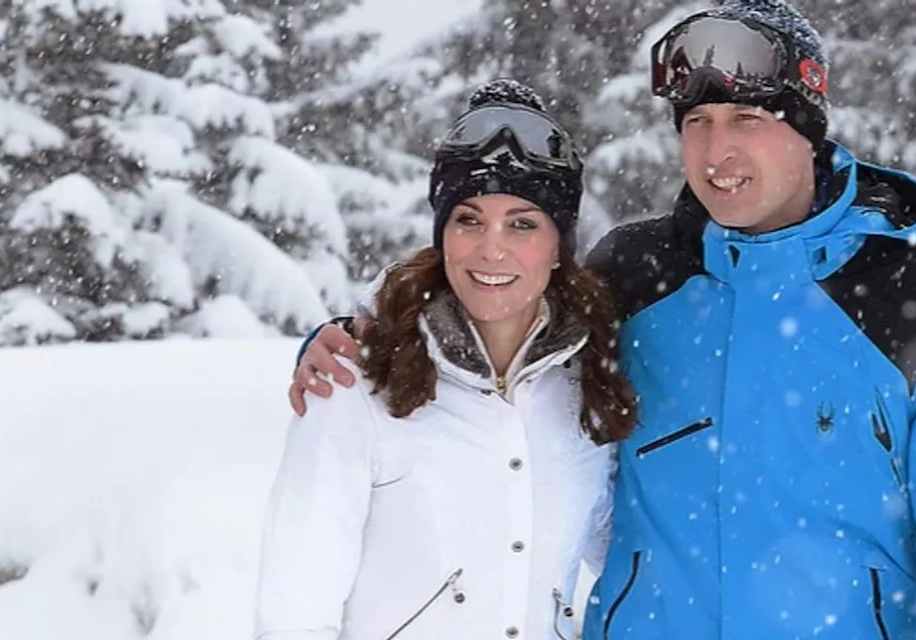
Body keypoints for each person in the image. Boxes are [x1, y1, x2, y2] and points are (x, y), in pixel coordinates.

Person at [290, 1, 916, 638]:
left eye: (749, 118)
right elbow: (494, 313)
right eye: (698, 122)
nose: (718, 151)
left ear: (809, 131)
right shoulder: (638, 273)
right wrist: (350, 340)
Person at [254, 79, 637, 640]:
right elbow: (294, 614)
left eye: (523, 224)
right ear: (442, 235)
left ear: (559, 248)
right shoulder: (353, 382)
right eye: (469, 219)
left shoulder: (587, 385)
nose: (491, 248)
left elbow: (633, 564)